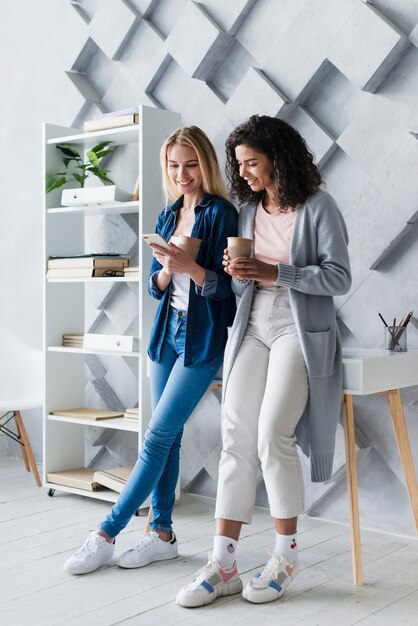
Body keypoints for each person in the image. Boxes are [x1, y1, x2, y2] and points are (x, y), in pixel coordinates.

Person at [176, 115, 351, 607]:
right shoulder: (249, 211)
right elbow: (241, 286)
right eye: (240, 165)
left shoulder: (319, 207)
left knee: (274, 432)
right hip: (252, 323)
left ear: (279, 157)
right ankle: (224, 562)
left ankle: (285, 554)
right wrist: (238, 272)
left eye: (252, 162)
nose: (246, 173)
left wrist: (279, 271)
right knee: (236, 433)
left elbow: (339, 278)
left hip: (299, 326)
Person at [64, 126, 238, 575]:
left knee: (156, 437)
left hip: (202, 339)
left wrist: (189, 268)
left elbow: (228, 291)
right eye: (174, 165)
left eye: (191, 164)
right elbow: (153, 288)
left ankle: (105, 533)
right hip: (166, 335)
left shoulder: (222, 214)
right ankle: (162, 534)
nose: (182, 174)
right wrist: (163, 273)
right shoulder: (166, 216)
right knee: (168, 437)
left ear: (206, 164)